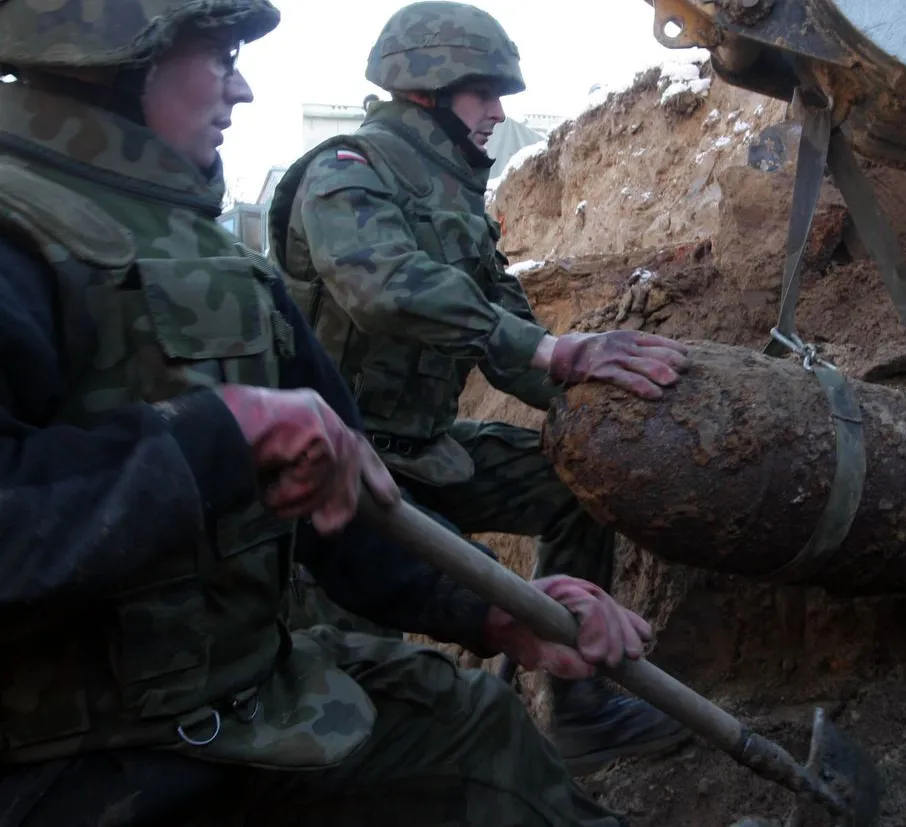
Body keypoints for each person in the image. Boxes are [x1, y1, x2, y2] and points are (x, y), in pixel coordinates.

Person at [0, 1, 651, 824]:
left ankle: (582, 713)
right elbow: (381, 293)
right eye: (219, 55)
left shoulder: (216, 256)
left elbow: (344, 517)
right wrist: (218, 438)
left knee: (477, 727)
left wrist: (485, 609)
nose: (240, 87)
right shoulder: (20, 232)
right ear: (112, 57)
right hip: (65, 757)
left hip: (240, 686)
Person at [267, 0, 695, 776]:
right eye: (484, 93)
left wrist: (598, 403)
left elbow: (510, 340)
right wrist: (552, 349)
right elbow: (384, 286)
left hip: (426, 453)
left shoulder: (457, 199)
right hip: (338, 471)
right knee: (360, 687)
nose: (500, 112)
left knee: (575, 482)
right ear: (428, 90)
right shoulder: (345, 173)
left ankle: (584, 709)